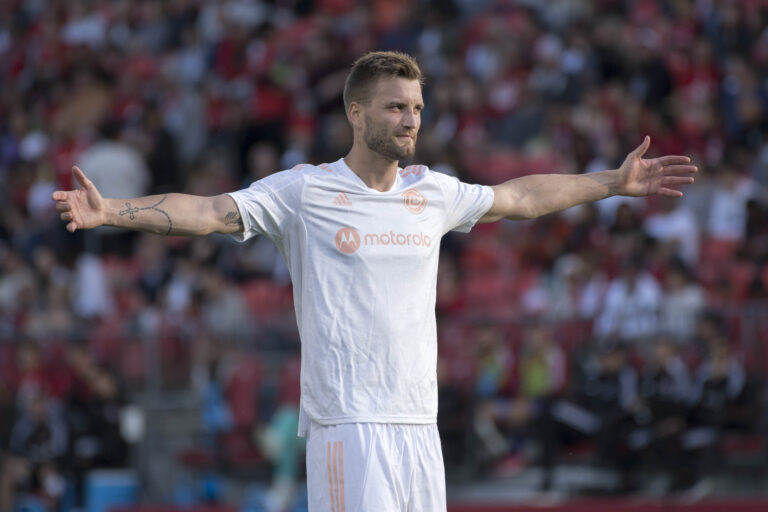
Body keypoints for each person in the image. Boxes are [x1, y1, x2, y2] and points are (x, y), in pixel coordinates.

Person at [52, 51, 697, 511]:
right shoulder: (305, 191)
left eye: (416, 107)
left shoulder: (433, 192)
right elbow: (209, 211)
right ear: (357, 113)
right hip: (347, 425)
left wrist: (612, 184)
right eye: (395, 107)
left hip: (419, 423)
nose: (410, 119)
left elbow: (521, 197)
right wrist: (113, 212)